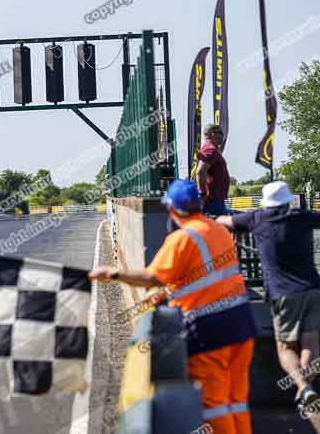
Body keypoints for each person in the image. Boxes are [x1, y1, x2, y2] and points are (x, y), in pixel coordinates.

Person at [90, 179, 256, 434]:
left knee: (214, 403)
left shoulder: (181, 239)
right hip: (242, 324)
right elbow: (204, 276)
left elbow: (153, 278)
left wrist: (113, 273)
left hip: (210, 331)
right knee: (236, 399)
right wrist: (171, 291)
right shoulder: (218, 230)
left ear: (172, 209)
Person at [217, 181, 320, 411]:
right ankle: (306, 393)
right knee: (311, 344)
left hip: (283, 293)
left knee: (286, 347)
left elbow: (223, 222)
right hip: (314, 288)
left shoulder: (257, 219)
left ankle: (303, 387)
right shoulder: (300, 216)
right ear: (288, 199)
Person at [195, 124, 230, 216]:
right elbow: (200, 172)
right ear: (211, 134)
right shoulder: (210, 150)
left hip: (216, 198)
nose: (222, 136)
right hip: (213, 200)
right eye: (220, 133)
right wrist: (202, 194)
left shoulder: (212, 149)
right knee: (220, 228)